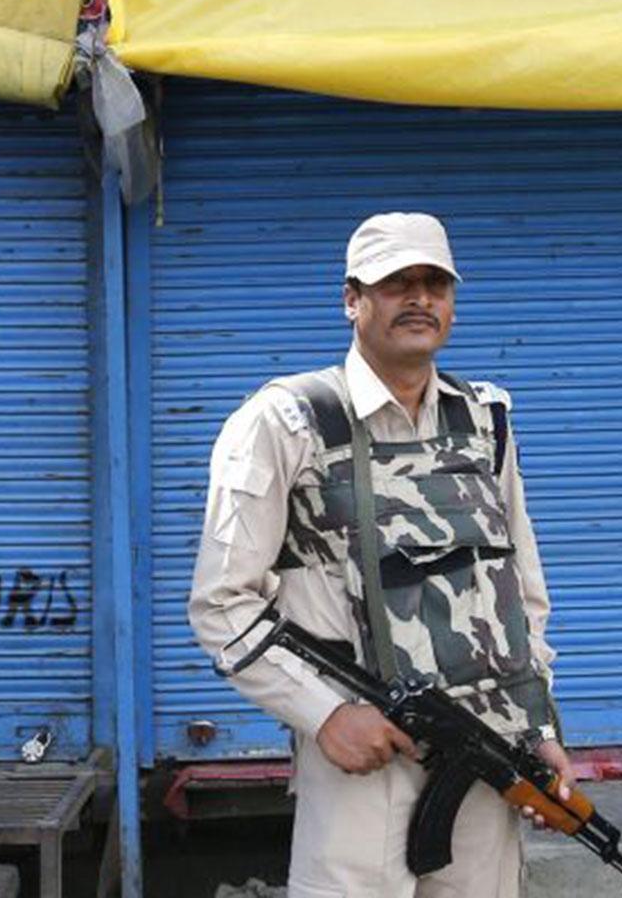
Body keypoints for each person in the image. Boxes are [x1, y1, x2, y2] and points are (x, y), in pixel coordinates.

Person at [188, 212, 569, 898]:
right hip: (364, 757)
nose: (420, 298)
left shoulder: (487, 420)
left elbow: (521, 586)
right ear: (352, 300)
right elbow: (222, 604)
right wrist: (325, 715)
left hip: (485, 751)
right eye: (397, 283)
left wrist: (537, 723)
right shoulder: (284, 422)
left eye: (435, 283)